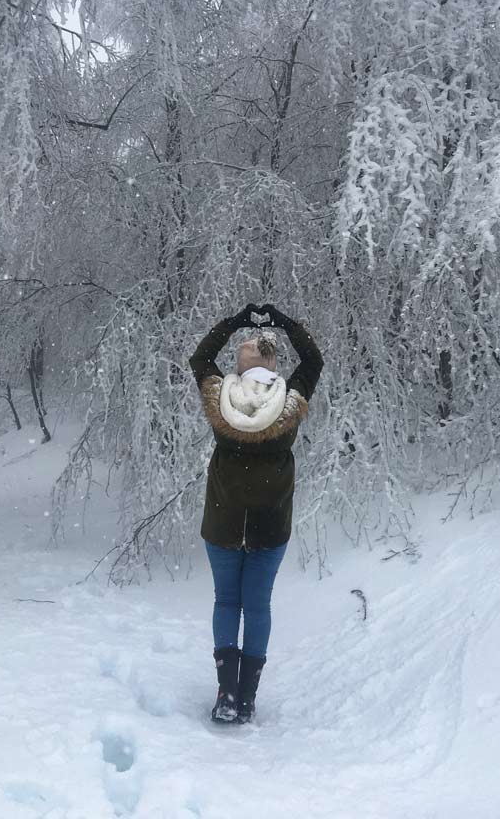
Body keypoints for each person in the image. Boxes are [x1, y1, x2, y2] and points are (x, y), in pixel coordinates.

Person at [188, 302, 324, 723]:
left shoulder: (220, 398)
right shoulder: (288, 403)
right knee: (258, 606)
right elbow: (313, 360)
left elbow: (200, 358)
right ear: (273, 366)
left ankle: (226, 694)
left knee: (227, 602)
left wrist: (235, 322)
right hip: (270, 523)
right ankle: (247, 699)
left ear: (240, 368)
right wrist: (283, 321)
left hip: (223, 518)